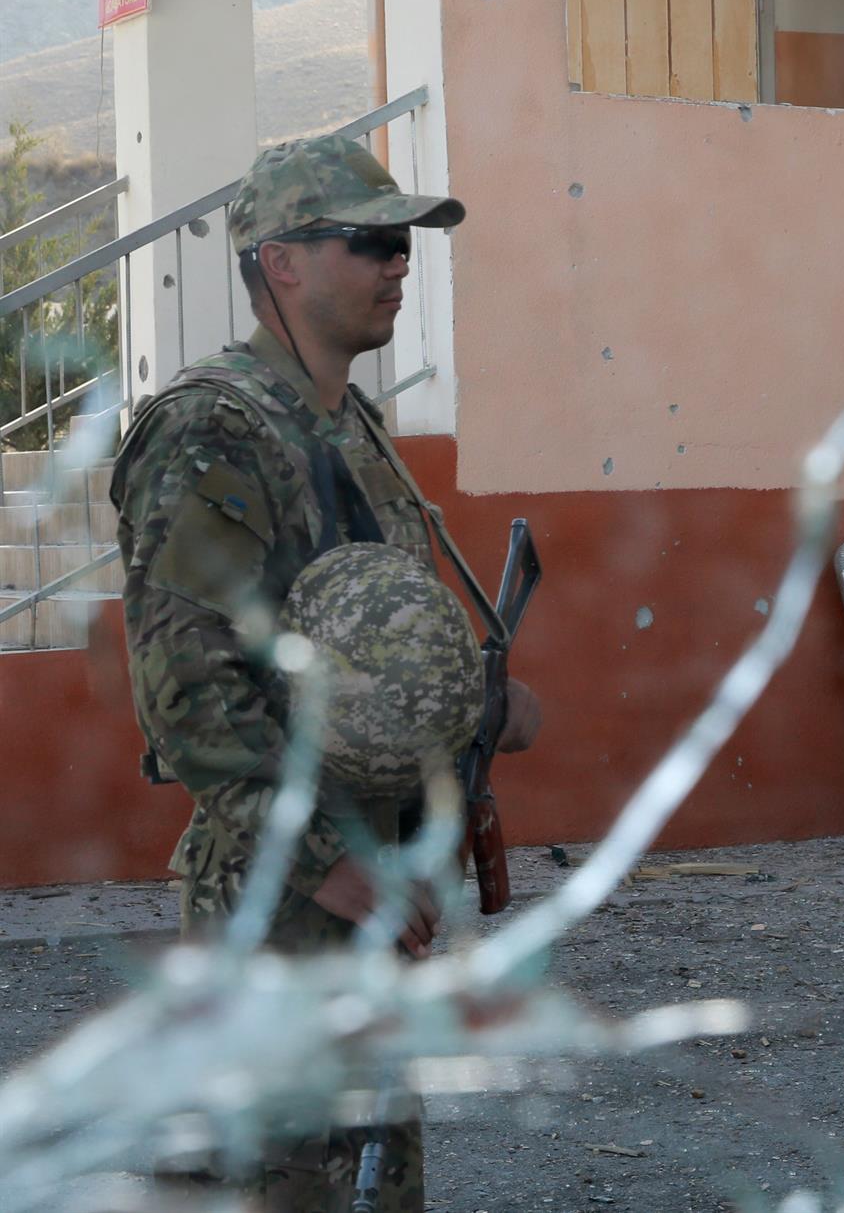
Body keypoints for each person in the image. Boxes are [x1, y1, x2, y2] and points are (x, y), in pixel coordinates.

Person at [110, 135, 543, 1211]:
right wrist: (321, 863)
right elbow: (187, 687)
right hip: (281, 902)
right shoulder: (213, 427)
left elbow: (371, 654)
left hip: (372, 879)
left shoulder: (347, 424)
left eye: (404, 243)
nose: (400, 263)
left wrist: (475, 709)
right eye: (372, 241)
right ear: (280, 263)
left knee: (366, 1174)